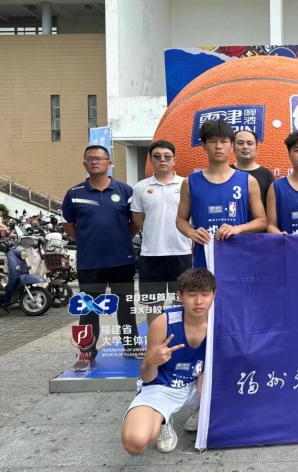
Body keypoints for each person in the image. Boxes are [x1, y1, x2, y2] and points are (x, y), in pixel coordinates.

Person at [61, 145, 141, 369]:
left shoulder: (125, 191)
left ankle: (131, 346)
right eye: (90, 159)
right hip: (90, 262)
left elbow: (135, 222)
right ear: (84, 163)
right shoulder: (74, 193)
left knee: (126, 306)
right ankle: (87, 352)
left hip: (122, 260)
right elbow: (68, 224)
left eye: (99, 158)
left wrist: (121, 239)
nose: (94, 162)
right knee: (88, 309)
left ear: (109, 163)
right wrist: (87, 240)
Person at [121, 268, 215, 455]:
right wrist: (152, 362)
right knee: (135, 442)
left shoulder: (220, 321)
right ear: (180, 296)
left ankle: (203, 412)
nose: (199, 301)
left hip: (201, 384)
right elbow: (147, 376)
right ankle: (164, 420)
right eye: (192, 295)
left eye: (205, 294)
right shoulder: (163, 322)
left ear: (214, 295)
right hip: (164, 385)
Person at [176, 119, 266, 269]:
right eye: (212, 141)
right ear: (204, 146)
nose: (218, 146)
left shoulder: (248, 180)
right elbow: (180, 220)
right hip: (204, 258)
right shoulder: (190, 182)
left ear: (232, 146)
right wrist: (191, 232)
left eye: (224, 141)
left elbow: (261, 221)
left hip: (239, 259)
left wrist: (238, 228)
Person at [131, 140, 192, 323]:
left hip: (181, 253)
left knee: (181, 302)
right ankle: (156, 340)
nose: (162, 160)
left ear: (174, 160)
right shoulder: (141, 187)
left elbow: (193, 217)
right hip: (151, 254)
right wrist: (155, 231)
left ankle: (179, 339)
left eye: (167, 156)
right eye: (157, 157)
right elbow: (138, 219)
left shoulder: (186, 184)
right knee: (153, 305)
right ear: (150, 160)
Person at [230, 129, 275, 211]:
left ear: (256, 149)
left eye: (250, 143)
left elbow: (273, 207)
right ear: (233, 148)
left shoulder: (266, 174)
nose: (245, 147)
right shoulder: (226, 172)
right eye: (240, 143)